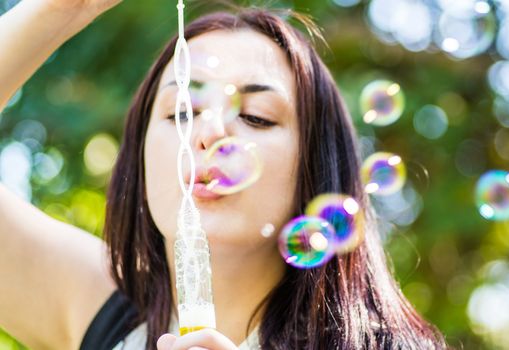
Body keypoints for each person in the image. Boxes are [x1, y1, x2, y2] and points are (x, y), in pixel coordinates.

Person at [0, 0, 447, 349]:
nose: (209, 133)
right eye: (181, 112)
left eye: (255, 116)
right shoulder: (101, 310)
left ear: (315, 167)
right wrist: (58, 10)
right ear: (138, 156)